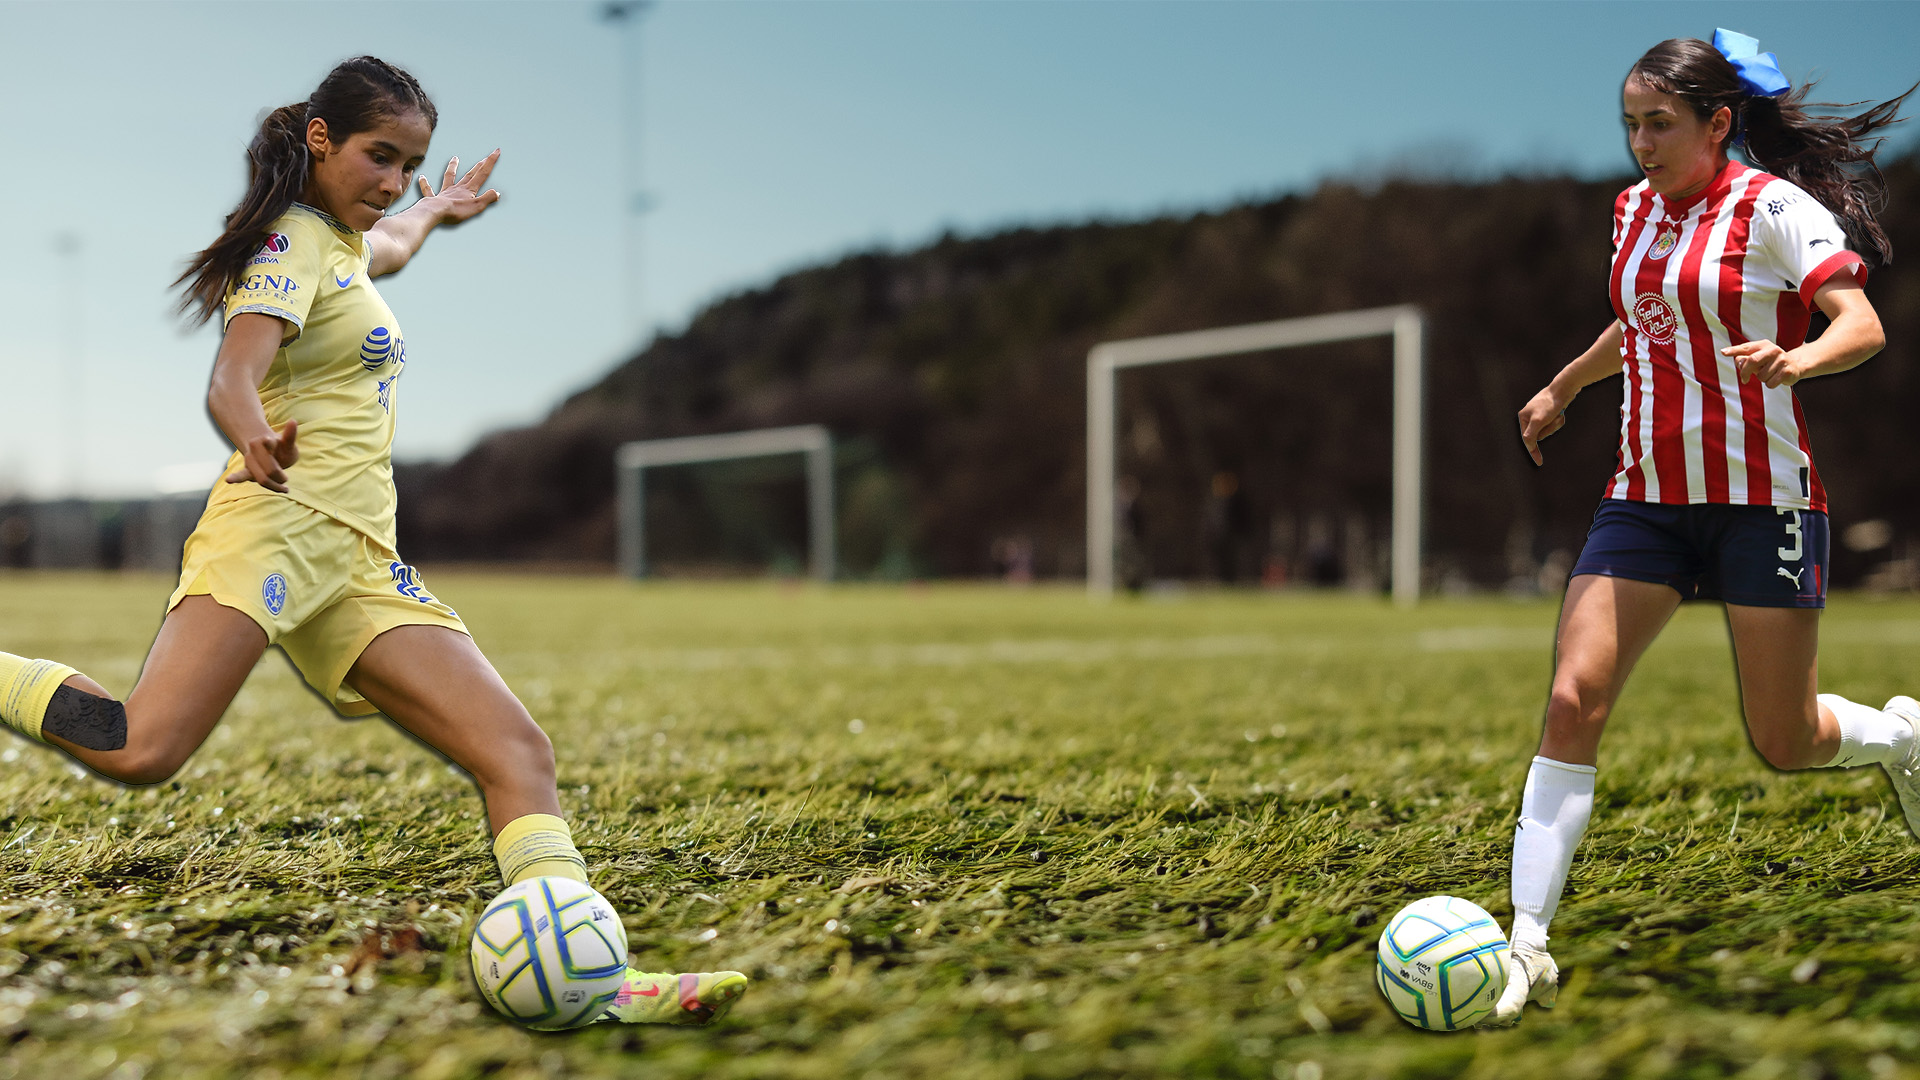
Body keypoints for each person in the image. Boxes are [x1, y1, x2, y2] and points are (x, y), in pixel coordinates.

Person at [0, 57, 746, 1027]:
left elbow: (387, 242)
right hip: (269, 535)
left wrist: (437, 212)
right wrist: (251, 433)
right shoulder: (286, 246)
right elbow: (236, 370)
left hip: (356, 562)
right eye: (379, 156)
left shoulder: (346, 246)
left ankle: (593, 983)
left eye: (411, 163)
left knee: (518, 751)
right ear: (321, 140)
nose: (393, 180)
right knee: (141, 747)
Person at [1500, 31, 1916, 1025]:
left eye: (1660, 124)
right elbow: (1639, 318)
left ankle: (1902, 737)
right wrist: (1563, 386)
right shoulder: (1631, 210)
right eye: (1631, 124)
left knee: (1787, 738)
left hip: (1762, 500)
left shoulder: (1773, 207)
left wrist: (1801, 362)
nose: (1641, 144)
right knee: (1572, 697)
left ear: (1717, 123)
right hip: (1642, 498)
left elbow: (1859, 322)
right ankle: (1527, 944)